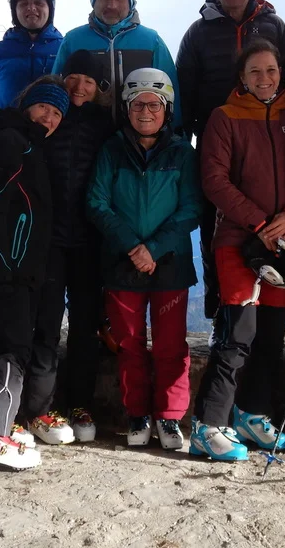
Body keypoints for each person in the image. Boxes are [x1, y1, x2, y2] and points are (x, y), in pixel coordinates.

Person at [190, 39, 285, 461]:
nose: (264, 78)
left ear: (281, 73)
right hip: (238, 240)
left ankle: (250, 413)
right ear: (242, 76)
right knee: (238, 334)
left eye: (271, 70)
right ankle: (207, 425)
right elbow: (215, 181)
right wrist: (259, 222)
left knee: (271, 336)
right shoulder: (225, 118)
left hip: (284, 242)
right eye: (255, 71)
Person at [86, 68, 200, 450]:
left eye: (154, 104)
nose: (146, 112)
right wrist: (133, 246)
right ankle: (137, 412)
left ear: (167, 109)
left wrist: (153, 248)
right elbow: (96, 202)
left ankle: (169, 417)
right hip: (123, 262)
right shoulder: (111, 150)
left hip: (169, 261)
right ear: (126, 109)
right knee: (129, 343)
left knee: (171, 344)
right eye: (137, 105)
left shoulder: (183, 153)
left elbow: (191, 208)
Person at [177, 0, 285, 321]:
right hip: (218, 139)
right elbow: (185, 86)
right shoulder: (199, 31)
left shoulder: (273, 26)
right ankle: (220, 312)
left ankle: (269, 313)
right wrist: (191, 134)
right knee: (218, 227)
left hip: (268, 135)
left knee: (272, 219)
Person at [0, 79, 72, 472]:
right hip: (5, 268)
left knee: (12, 348)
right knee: (13, 351)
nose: (50, 117)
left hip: (16, 268)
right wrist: (5, 268)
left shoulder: (26, 142)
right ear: (27, 105)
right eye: (44, 107)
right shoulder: (13, 141)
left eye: (58, 113)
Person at [25, 54, 114, 446]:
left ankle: (80, 404)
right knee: (45, 325)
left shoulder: (104, 127)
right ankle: (39, 409)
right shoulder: (49, 118)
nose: (80, 87)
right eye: (74, 78)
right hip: (49, 240)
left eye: (89, 82)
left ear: (99, 89)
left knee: (84, 328)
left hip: (89, 241)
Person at [52, 0, 181, 131]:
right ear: (93, 1)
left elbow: (171, 92)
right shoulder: (73, 40)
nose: (112, 4)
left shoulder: (151, 41)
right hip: (85, 139)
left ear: (130, 3)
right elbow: (55, 90)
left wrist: (176, 133)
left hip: (136, 141)